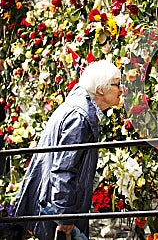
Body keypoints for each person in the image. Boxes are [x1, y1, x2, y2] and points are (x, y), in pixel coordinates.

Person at [14, 60, 123, 240]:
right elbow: (63, 167)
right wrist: (64, 216)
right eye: (117, 84)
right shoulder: (79, 118)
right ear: (101, 90)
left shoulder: (80, 109)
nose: (121, 90)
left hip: (54, 203)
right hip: (55, 209)